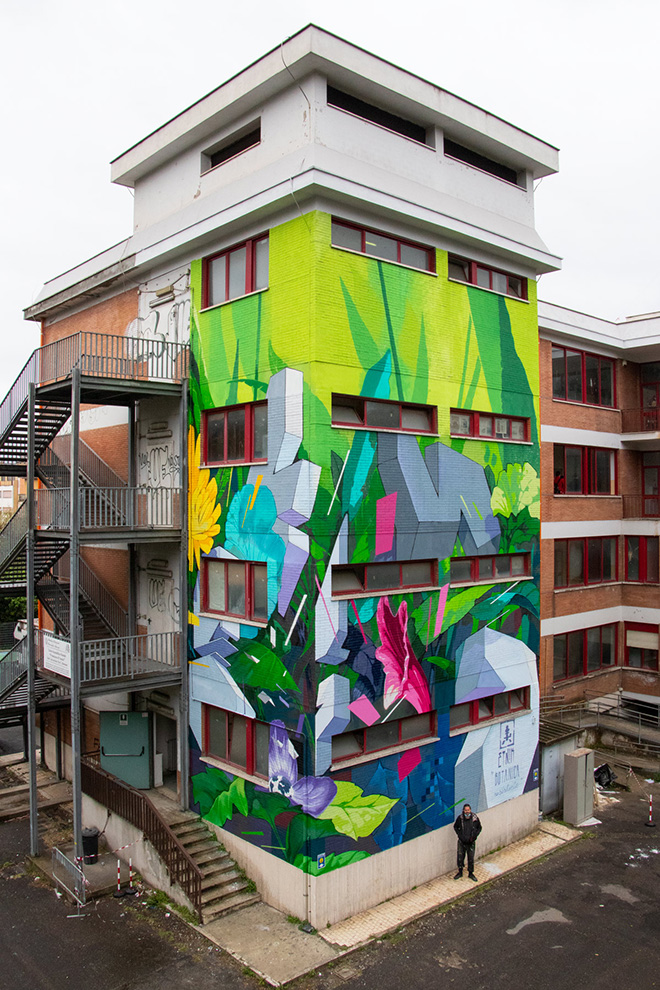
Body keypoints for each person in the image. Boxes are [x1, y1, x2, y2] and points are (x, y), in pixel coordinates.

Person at [453, 803, 482, 881]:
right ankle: (460, 872)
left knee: (471, 858)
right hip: (462, 842)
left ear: (470, 810)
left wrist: (474, 836)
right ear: (463, 810)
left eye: (468, 810)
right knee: (460, 857)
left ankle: (470, 873)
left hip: (471, 842)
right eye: (465, 810)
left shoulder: (475, 818)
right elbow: (455, 827)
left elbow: (479, 828)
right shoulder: (460, 818)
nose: (467, 811)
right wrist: (460, 836)